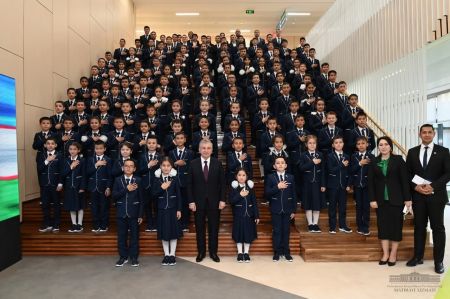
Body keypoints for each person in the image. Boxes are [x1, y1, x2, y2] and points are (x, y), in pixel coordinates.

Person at [406, 124, 450, 274]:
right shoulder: (412, 152)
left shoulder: (444, 151)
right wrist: (415, 186)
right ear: (420, 134)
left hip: (436, 196)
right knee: (419, 227)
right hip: (418, 197)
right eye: (424, 132)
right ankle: (418, 257)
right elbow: (408, 173)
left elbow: (447, 174)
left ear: (433, 134)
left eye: (429, 132)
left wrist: (433, 186)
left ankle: (439, 261)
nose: (426, 135)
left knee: (438, 229)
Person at [368, 136, 411, 266]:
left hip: (396, 200)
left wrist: (408, 199)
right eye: (380, 145)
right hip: (380, 201)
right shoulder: (374, 161)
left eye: (386, 144)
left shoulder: (398, 160)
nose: (383, 147)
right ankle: (385, 254)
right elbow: (370, 182)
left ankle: (393, 254)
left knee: (396, 228)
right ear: (378, 147)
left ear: (390, 146)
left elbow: (405, 181)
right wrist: (372, 199)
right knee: (383, 228)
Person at [187, 139, 226, 263]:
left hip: (214, 202)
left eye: (208, 148)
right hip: (198, 203)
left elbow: (223, 184)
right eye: (203, 148)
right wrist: (191, 201)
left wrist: (222, 200)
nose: (206, 150)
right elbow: (189, 184)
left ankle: (213, 252)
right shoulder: (193, 163)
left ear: (212, 150)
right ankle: (201, 252)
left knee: (214, 228)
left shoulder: (217, 163)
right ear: (199, 150)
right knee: (199, 228)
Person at [112, 159, 144, 267]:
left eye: (131, 166)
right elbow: (114, 196)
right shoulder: (117, 180)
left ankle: (134, 257)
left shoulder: (138, 180)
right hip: (121, 213)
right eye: (126, 166)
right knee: (122, 236)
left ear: (134, 169)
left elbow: (141, 199)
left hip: (134, 213)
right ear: (123, 168)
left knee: (134, 236)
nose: (128, 168)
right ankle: (123, 257)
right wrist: (126, 189)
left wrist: (140, 215)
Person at [265, 156, 297, 262]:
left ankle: (286, 252)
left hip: (288, 209)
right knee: (277, 231)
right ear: (274, 166)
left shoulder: (290, 177)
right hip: (276, 208)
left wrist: (293, 210)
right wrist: (277, 187)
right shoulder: (270, 177)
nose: (280, 164)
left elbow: (293, 194)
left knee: (286, 231)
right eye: (278, 163)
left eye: (282, 163)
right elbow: (267, 193)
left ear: (286, 165)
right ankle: (277, 252)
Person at [152, 157, 183, 266]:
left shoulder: (175, 179)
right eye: (163, 165)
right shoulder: (156, 180)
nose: (166, 168)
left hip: (173, 209)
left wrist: (179, 209)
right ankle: (166, 255)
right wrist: (162, 188)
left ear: (171, 167)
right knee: (164, 233)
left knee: (173, 233)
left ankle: (172, 254)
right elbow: (153, 194)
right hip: (161, 210)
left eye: (168, 166)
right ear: (160, 167)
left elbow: (179, 196)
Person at [229, 168, 259, 263]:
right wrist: (240, 195)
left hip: (249, 215)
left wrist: (256, 216)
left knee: (248, 233)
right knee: (239, 234)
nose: (241, 177)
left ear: (247, 177)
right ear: (236, 177)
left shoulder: (250, 188)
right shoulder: (234, 188)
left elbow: (254, 202)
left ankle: (246, 253)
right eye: (239, 175)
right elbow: (231, 201)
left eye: (243, 175)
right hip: (238, 215)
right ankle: (240, 253)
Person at [298, 135, 326, 233]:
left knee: (316, 204)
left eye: (314, 143)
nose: (312, 145)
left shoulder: (320, 155)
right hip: (306, 184)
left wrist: (323, 184)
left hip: (317, 184)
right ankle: (310, 224)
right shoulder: (303, 155)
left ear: (316, 144)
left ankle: (315, 224)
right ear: (306, 144)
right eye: (310, 143)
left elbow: (322, 171)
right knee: (308, 204)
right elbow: (301, 168)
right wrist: (312, 162)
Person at [36, 137, 63, 232]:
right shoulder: (41, 155)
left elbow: (61, 170)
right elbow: (39, 169)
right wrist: (47, 160)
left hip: (55, 184)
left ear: (55, 145)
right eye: (48, 143)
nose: (50, 145)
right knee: (45, 205)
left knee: (56, 204)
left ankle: (56, 224)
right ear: (45, 145)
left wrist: (60, 183)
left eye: (52, 143)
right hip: (44, 184)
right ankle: (47, 223)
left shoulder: (59, 155)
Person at [60, 142, 86, 233]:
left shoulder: (82, 160)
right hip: (69, 187)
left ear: (78, 150)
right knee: (71, 206)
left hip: (78, 187)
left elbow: (84, 175)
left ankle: (79, 224)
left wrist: (82, 187)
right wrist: (71, 167)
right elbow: (62, 174)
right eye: (70, 149)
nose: (72, 151)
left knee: (80, 206)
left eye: (74, 149)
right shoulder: (65, 160)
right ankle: (74, 224)